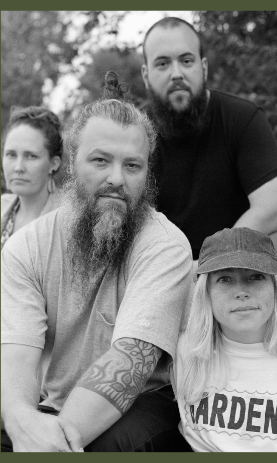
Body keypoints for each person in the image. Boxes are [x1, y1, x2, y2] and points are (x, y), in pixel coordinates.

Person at [1, 72, 193, 452]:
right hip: (47, 401)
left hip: (140, 401)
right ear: (71, 164)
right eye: (101, 161)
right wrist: (21, 419)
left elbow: (130, 363)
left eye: (133, 166)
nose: (116, 179)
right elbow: (17, 353)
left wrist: (49, 444)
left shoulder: (166, 246)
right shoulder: (25, 247)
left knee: (119, 444)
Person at [141, 17, 277, 260]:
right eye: (163, 64)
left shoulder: (242, 118)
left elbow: (272, 210)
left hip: (234, 259)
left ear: (204, 67)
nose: (176, 74)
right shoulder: (133, 133)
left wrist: (211, 264)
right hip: (160, 267)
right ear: (146, 75)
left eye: (186, 61)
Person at [174, 227, 277, 452]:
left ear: (274, 287)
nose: (241, 291)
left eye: (255, 277)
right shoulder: (185, 351)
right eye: (225, 279)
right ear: (206, 292)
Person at [1, 106, 63, 249]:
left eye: (31, 156)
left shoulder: (67, 221)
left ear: (53, 164)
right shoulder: (2, 205)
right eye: (11, 154)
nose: (18, 167)